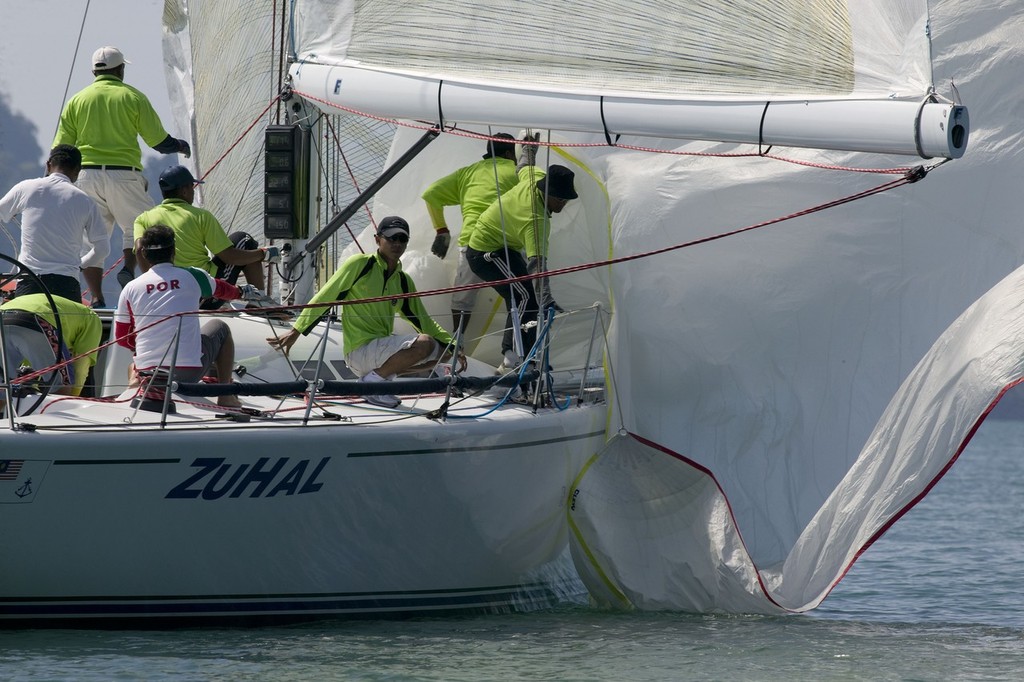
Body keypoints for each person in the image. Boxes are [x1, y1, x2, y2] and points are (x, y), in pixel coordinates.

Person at [267, 216, 466, 408]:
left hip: (378, 350)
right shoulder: (360, 265)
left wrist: (454, 345)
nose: (397, 243)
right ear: (378, 240)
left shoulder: (403, 280)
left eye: (402, 239)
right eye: (391, 238)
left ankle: (379, 378)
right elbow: (326, 297)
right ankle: (372, 383)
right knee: (425, 343)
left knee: (442, 353)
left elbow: (424, 321)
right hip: (359, 351)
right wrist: (296, 331)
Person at [53, 46, 192, 306]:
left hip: (87, 176)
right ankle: (134, 274)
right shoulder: (132, 96)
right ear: (121, 70)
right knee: (142, 229)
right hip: (124, 175)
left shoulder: (77, 99)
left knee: (91, 239)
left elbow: (62, 148)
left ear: (94, 71)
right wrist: (180, 146)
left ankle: (95, 297)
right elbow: (158, 141)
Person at [114, 225, 264, 409]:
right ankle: (225, 394)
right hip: (187, 375)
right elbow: (225, 290)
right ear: (174, 251)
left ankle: (137, 380)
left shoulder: (130, 288)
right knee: (220, 327)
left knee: (134, 363)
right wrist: (243, 292)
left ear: (143, 255)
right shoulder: (193, 276)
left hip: (148, 371)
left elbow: (123, 338)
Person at [466, 164, 578, 369]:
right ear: (548, 192)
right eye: (561, 199)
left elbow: (524, 166)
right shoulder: (536, 221)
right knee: (526, 296)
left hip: (504, 248)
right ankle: (511, 359)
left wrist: (527, 146)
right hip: (484, 253)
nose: (563, 204)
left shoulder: (535, 178)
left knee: (528, 297)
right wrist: (547, 300)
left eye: (567, 199)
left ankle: (528, 358)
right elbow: (537, 266)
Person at [421, 133, 526, 333]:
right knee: (521, 296)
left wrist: (441, 231)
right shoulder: (517, 172)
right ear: (508, 153)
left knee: (462, 299)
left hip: (472, 244)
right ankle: (515, 347)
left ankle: (457, 341)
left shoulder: (467, 173)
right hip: (505, 245)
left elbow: (431, 195)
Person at [133, 166, 276, 307]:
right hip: (206, 296)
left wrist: (154, 283)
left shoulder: (143, 219)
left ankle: (252, 301)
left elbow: (139, 250)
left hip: (167, 297)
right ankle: (259, 302)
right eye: (191, 187)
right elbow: (229, 256)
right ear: (184, 190)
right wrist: (263, 254)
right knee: (243, 240)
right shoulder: (201, 216)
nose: (193, 192)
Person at [0, 145, 108, 303]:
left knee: (29, 327)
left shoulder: (26, 188)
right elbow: (103, 249)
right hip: (67, 284)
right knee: (66, 327)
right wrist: (78, 265)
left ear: (48, 165)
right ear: (78, 171)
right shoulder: (86, 201)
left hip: (30, 281)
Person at [0, 293, 103, 400]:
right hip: (34, 319)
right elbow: (80, 366)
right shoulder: (92, 318)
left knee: (3, 388)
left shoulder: (67, 312)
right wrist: (73, 398)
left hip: (3, 314)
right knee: (61, 386)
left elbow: (31, 357)